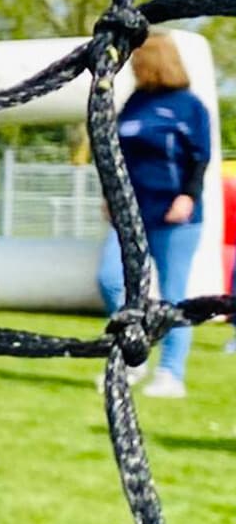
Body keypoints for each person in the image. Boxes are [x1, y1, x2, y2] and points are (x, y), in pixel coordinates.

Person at [96, 32, 210, 399]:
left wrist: (188, 196)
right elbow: (115, 153)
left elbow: (200, 157)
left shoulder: (188, 106)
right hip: (131, 213)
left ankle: (171, 374)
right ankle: (134, 355)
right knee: (111, 279)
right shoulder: (135, 103)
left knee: (173, 295)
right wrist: (109, 196)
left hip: (175, 216)